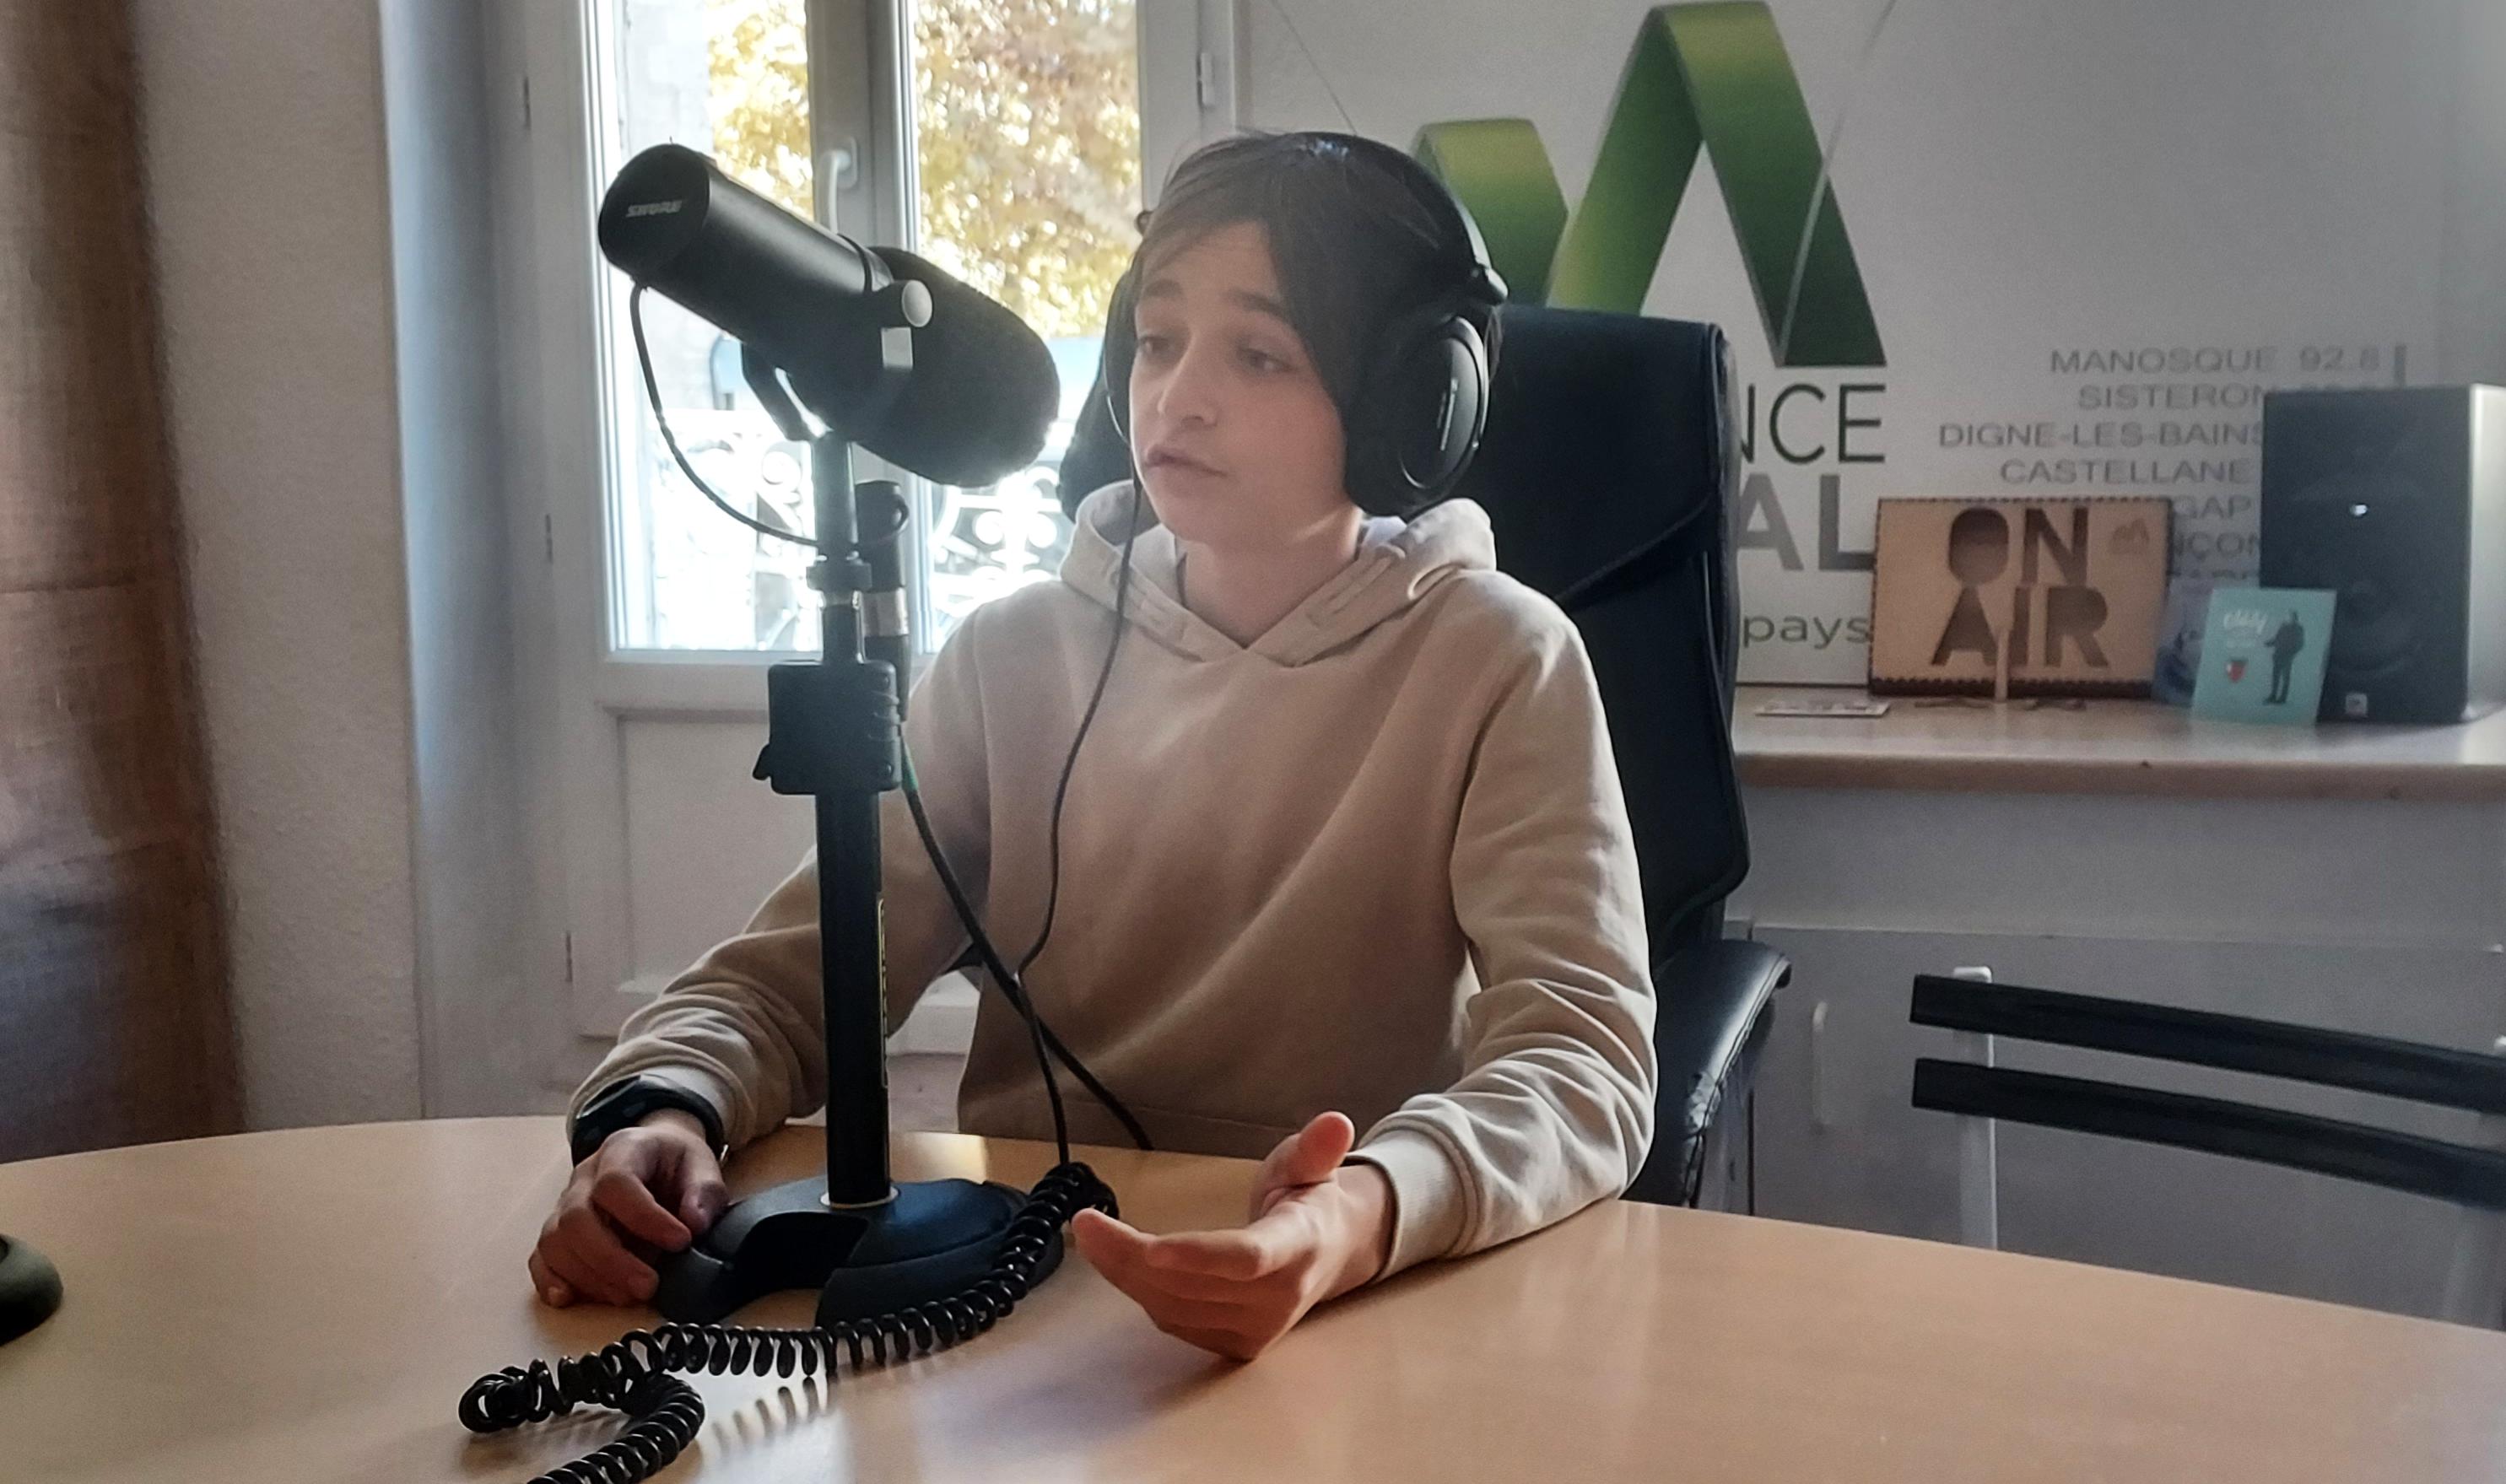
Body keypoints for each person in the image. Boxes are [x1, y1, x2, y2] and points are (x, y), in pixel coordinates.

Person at [536, 131, 1657, 1361]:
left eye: (1258, 354)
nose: (1178, 395)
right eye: (1157, 339)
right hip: (1024, 1290)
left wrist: (1360, 1214)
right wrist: (662, 1109)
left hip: (1351, 1302)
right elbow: (789, 982)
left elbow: (1582, 1060)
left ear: (1408, 405)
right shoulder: (1011, 655)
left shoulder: (1498, 657)